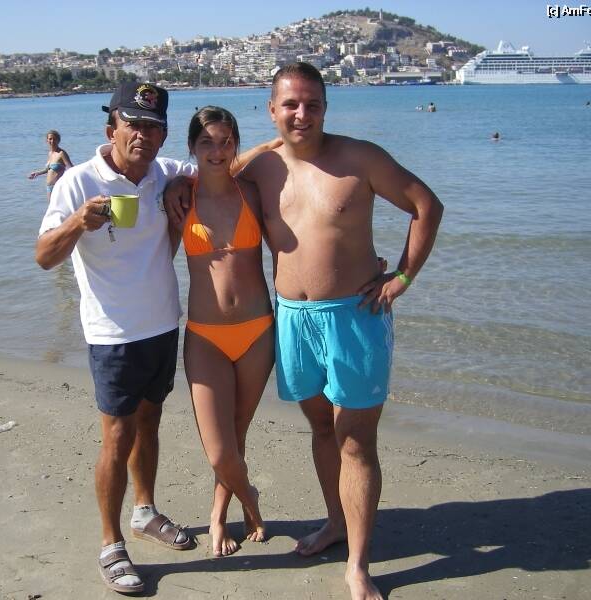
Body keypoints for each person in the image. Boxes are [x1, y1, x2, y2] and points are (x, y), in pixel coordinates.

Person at [166, 62, 443, 600]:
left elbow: (426, 205)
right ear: (272, 109)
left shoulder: (360, 158)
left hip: (354, 317)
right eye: (290, 104)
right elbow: (213, 168)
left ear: (325, 108)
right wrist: (180, 180)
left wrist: (403, 277)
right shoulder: (259, 168)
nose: (301, 114)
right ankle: (336, 522)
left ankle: (358, 565)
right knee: (320, 430)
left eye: (312, 104)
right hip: (293, 318)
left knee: (355, 441)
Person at [35, 82, 197, 595]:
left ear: (163, 135)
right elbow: (44, 256)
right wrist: (78, 223)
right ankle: (111, 544)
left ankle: (144, 512)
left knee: (150, 421)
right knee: (118, 436)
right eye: (134, 125)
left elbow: (219, 163)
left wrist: (182, 182)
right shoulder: (78, 182)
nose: (143, 135)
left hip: (163, 322)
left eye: (153, 127)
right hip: (112, 334)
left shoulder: (166, 170)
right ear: (112, 130)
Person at [178, 106, 272, 557]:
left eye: (226, 141)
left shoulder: (252, 192)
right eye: (206, 142)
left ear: (236, 143)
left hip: (257, 333)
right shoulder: (180, 197)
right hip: (205, 336)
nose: (217, 151)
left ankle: (218, 515)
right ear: (191, 147)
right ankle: (250, 499)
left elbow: (299, 235)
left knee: (237, 434)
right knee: (220, 450)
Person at [28, 129, 73, 200]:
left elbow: (71, 169)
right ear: (47, 140)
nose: (52, 141)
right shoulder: (50, 153)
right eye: (50, 139)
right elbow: (48, 169)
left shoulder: (61, 153)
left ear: (58, 140)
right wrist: (37, 173)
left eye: (54, 139)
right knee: (51, 206)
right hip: (49, 187)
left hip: (58, 186)